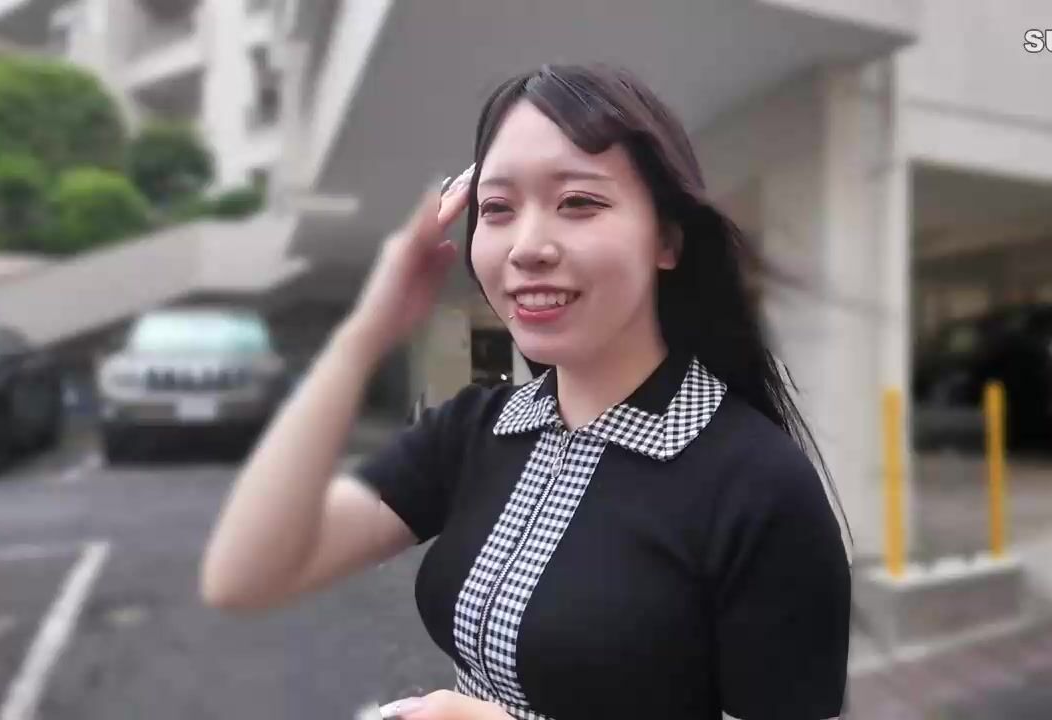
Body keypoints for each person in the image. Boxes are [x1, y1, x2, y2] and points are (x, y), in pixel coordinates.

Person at [200, 63, 851, 720]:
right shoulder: (473, 430)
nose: (527, 247)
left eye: (579, 202)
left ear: (667, 239)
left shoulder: (758, 485)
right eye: (497, 209)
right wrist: (367, 331)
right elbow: (245, 574)